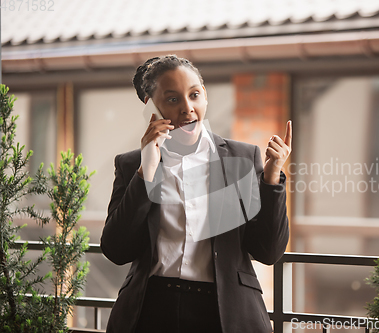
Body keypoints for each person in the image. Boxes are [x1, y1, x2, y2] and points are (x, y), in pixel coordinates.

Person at [100, 55, 291, 333]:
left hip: (223, 311)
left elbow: (268, 251)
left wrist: (271, 177)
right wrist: (146, 172)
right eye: (173, 99)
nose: (188, 109)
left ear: (205, 97)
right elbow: (116, 250)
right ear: (151, 106)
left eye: (194, 95)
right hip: (151, 308)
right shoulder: (131, 165)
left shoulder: (242, 158)